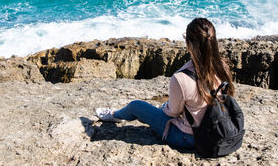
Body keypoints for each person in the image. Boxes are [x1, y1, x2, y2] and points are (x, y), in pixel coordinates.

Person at [95, 18, 235, 149]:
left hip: (190, 137)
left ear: (188, 44)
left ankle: (115, 115)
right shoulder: (222, 66)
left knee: (136, 106)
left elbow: (172, 113)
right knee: (165, 106)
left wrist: (164, 108)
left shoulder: (181, 78)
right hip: (220, 130)